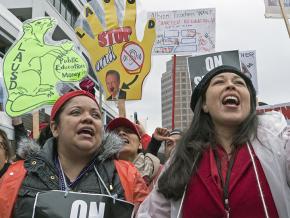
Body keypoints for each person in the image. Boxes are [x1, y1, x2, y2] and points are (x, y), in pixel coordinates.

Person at [137, 65, 290, 218]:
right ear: (204, 104)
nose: (231, 85)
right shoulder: (182, 157)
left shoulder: (278, 140)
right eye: (219, 82)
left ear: (250, 103)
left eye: (239, 83)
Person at [0, 90, 149, 217]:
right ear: (55, 128)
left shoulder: (128, 175)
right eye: (76, 112)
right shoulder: (18, 174)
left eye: (96, 115)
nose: (88, 118)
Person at [106, 117, 161, 188]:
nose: (121, 133)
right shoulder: (98, 174)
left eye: (128, 131)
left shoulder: (161, 173)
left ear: (140, 144)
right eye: (115, 133)